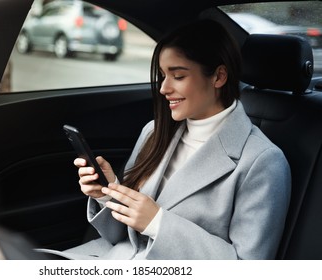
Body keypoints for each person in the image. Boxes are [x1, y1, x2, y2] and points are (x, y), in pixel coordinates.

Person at [39, 19, 291, 259]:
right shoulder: (154, 132)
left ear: (218, 77)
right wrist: (107, 192)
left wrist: (158, 223)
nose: (163, 88)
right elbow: (122, 237)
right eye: (163, 75)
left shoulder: (262, 162)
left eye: (178, 76)